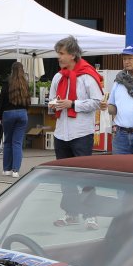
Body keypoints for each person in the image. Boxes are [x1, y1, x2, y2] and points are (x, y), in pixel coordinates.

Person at [50, 36, 105, 227]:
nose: (59, 57)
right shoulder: (58, 77)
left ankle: (90, 214)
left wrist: (73, 104)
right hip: (61, 132)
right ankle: (70, 212)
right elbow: (52, 100)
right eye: (58, 53)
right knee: (66, 176)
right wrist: (53, 105)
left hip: (81, 132)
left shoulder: (87, 76)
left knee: (85, 175)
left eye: (62, 53)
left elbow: (97, 102)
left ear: (73, 55)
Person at [0, 61, 32, 178]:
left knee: (8, 141)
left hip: (8, 113)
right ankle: (16, 170)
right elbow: (28, 101)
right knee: (17, 143)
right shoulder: (25, 84)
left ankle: (7, 169)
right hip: (22, 113)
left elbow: (1, 101)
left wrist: (0, 115)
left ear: (11, 70)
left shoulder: (6, 83)